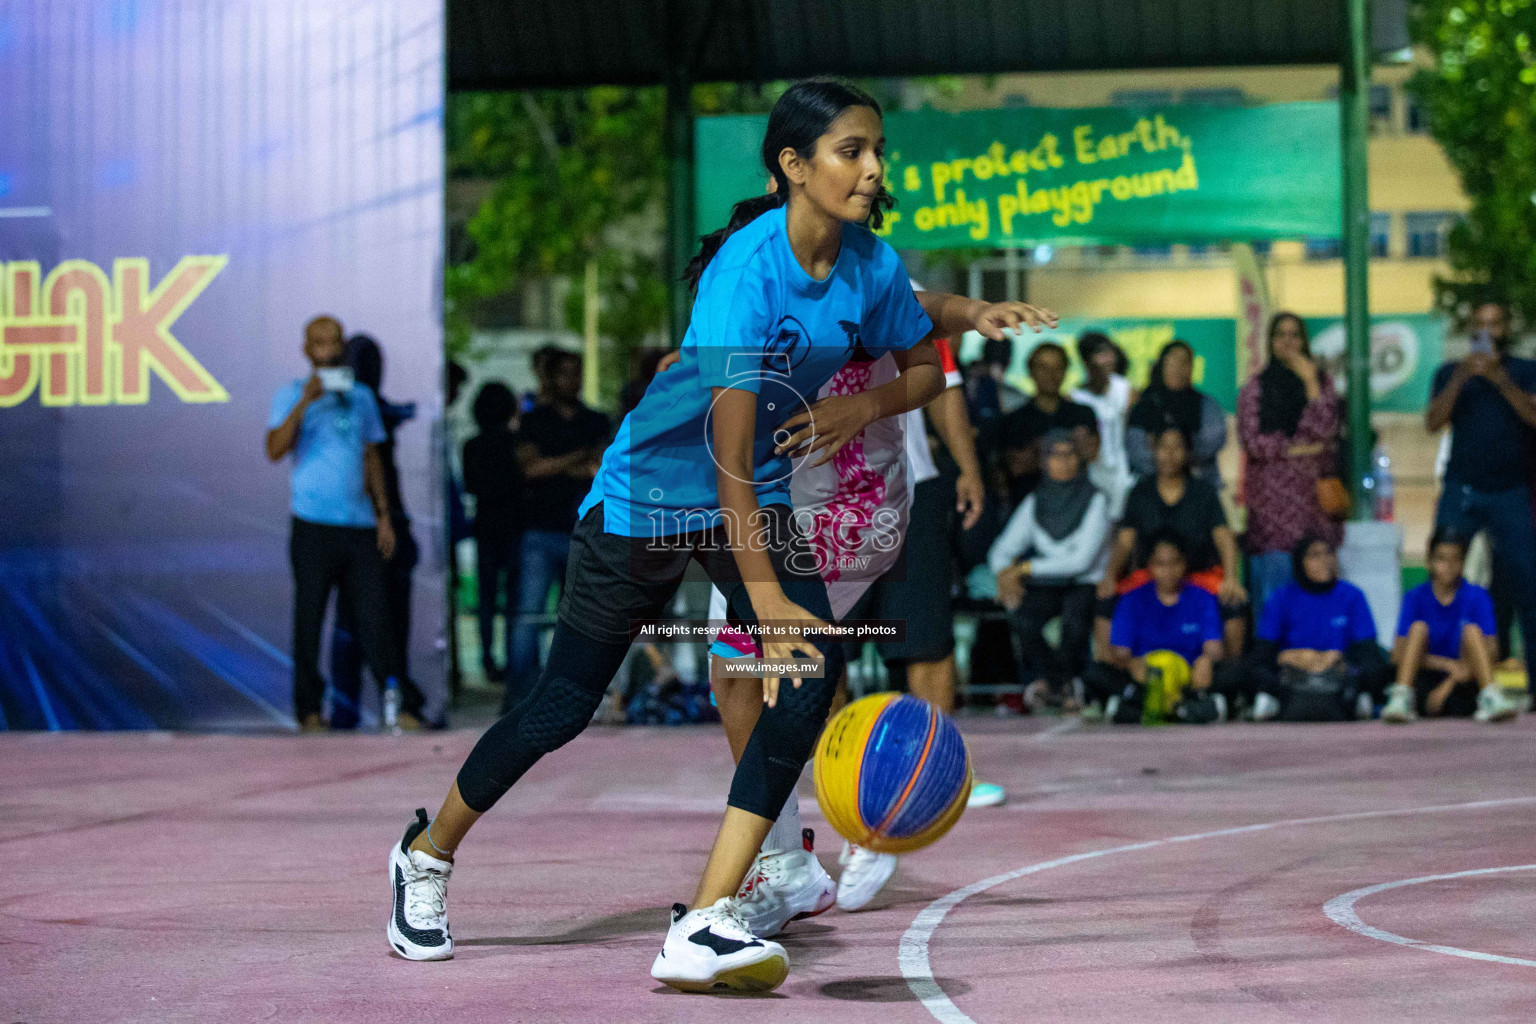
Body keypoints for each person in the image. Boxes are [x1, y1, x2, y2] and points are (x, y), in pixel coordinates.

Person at [382, 79, 1054, 993]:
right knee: (561, 707)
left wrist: (867, 399)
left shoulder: (868, 264)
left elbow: (927, 375)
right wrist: (768, 597)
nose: (873, 168)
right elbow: (727, 456)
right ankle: (426, 855)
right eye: (851, 151)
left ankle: (705, 916)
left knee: (804, 672)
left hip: (758, 492)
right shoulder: (746, 271)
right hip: (652, 496)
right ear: (792, 165)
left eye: (877, 150)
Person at [701, 317, 1003, 930]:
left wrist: (961, 463)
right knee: (749, 672)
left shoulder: (888, 287)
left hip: (880, 500)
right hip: (777, 504)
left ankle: (899, 793)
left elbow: (938, 378)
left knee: (919, 649)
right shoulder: (746, 288)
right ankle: (823, 825)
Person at [265, 316, 411, 731]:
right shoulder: (290, 394)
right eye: (320, 343)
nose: (328, 350)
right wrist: (304, 403)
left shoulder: (362, 397)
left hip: (361, 526)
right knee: (309, 620)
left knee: (376, 618)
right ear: (307, 350)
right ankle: (310, 711)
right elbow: (274, 449)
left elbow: (372, 457)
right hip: (312, 525)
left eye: (334, 343)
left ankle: (397, 704)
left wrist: (384, 516)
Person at [1424, 299, 1536, 687]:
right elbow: (1433, 422)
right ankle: (1438, 681)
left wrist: (1499, 379)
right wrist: (1460, 379)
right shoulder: (1449, 372)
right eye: (1480, 325)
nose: (1488, 332)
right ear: (1471, 329)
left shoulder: (1524, 370)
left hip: (1510, 493)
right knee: (1442, 576)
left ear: (1506, 328)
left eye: (1495, 324)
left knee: (1527, 584)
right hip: (1462, 489)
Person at [327, 334, 428, 730]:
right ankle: (374, 704)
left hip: (378, 524)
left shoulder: (368, 407)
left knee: (363, 624)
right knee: (365, 623)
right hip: (362, 527)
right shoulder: (350, 406)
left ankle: (365, 705)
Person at [503, 349, 612, 710]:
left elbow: (602, 470)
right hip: (540, 530)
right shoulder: (534, 421)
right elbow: (529, 469)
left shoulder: (596, 420)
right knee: (528, 616)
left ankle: (565, 693)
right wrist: (576, 458)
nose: (573, 380)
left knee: (580, 620)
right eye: (565, 373)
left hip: (584, 529)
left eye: (578, 372)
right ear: (551, 378)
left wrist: (557, 464)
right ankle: (519, 695)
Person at [1098, 425, 1248, 659]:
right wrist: (1109, 576)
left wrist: (1231, 577)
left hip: (1199, 576)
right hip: (1152, 575)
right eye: (1163, 447)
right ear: (1153, 449)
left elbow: (1223, 537)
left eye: (1177, 447)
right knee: (1105, 600)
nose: (1169, 454)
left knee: (1233, 602)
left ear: (1188, 452)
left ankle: (1227, 675)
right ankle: (1113, 671)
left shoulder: (1203, 492)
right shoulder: (1140, 492)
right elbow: (1125, 542)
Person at [989, 430, 1110, 709]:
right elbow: (1001, 550)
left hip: (1084, 582)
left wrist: (1025, 568)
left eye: (1069, 454)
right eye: (1055, 455)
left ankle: (1052, 684)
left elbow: (1080, 563)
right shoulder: (1036, 502)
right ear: (1044, 461)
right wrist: (1005, 577)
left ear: (1079, 460)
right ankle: (1062, 684)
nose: (1063, 462)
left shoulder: (1095, 500)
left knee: (1074, 619)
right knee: (1023, 618)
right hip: (1046, 583)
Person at [1237, 313, 1343, 609]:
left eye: (1295, 335)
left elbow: (1324, 432)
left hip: (1314, 508)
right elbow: (1253, 442)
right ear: (1270, 342)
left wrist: (1310, 380)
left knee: (1316, 597)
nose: (1288, 341)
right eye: (1280, 335)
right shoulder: (1255, 388)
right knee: (1275, 599)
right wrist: (1297, 449)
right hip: (1273, 511)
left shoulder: (1321, 383)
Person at [1228, 534, 1389, 722]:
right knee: (1245, 671)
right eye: (1314, 555)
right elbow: (1264, 651)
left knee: (1379, 667)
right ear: (1299, 563)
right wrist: (1289, 657)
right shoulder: (1281, 597)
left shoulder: (1352, 596)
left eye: (1328, 553)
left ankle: (1357, 698)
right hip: (1292, 671)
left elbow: (1367, 649)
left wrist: (1338, 659)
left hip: (1337, 670)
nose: (1324, 561)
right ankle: (1273, 699)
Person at [1083, 528, 1225, 720]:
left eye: (1175, 563)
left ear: (1185, 564)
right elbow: (1120, 652)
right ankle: (1184, 709)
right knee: (1094, 673)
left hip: (1187, 677)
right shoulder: (1132, 599)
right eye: (1160, 564)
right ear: (1149, 565)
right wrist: (1131, 663)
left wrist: (1206, 661)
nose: (1168, 571)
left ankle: (1138, 708)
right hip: (1146, 678)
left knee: (1237, 673)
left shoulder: (1202, 597)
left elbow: (1214, 649)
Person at [1382, 531, 1523, 723]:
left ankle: (1491, 696)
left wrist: (1451, 682)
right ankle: (1401, 697)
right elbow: (1398, 655)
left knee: (1471, 631)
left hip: (1465, 680)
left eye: (1455, 559)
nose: (1448, 567)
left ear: (1463, 563)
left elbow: (1492, 653)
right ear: (1430, 562)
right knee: (1418, 628)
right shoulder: (1414, 597)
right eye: (1441, 559)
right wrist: (1447, 665)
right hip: (1425, 680)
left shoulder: (1477, 596)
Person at [462, 381, 522, 683]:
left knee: (487, 598)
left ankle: (488, 658)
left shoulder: (471, 446)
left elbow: (471, 486)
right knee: (514, 598)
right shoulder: (515, 442)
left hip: (486, 524)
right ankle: (515, 659)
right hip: (513, 524)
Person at [999, 342, 1099, 508]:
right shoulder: (1014, 420)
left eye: (1057, 367)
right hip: (1028, 504)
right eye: (1043, 367)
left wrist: (1040, 452)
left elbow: (1090, 453)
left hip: (1076, 503)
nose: (1051, 374)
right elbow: (1015, 467)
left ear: (1065, 371)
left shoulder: (1083, 414)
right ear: (1031, 371)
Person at [1126, 339, 1227, 488]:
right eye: (1172, 361)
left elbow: (1213, 441)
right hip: (1152, 489)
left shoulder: (1206, 404)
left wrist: (1167, 453)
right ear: (1162, 365)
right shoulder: (1144, 405)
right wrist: (1170, 467)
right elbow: (1136, 451)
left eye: (1184, 362)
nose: (1178, 368)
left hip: (1199, 484)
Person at [1071, 331, 1135, 517]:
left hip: (1122, 469)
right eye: (1100, 354)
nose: (1107, 360)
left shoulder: (1125, 389)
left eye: (1109, 353)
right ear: (1086, 360)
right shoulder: (1076, 397)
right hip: (1092, 471)